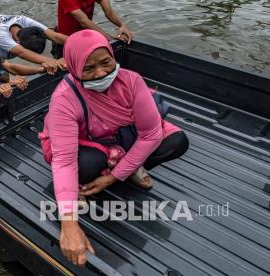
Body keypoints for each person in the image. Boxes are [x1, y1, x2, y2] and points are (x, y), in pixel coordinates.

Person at [39, 30, 188, 266]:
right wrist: (69, 224)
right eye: (89, 68)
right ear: (74, 68)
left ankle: (126, 167)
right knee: (86, 165)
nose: (101, 73)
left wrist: (114, 177)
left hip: (119, 138)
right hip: (86, 144)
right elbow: (64, 160)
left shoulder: (131, 80)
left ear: (112, 56)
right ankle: (80, 186)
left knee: (176, 141)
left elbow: (150, 133)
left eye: (106, 63)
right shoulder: (64, 99)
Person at [0, 14, 68, 73]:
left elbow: (55, 36)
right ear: (17, 42)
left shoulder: (25, 21)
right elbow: (20, 54)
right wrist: (54, 62)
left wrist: (83, 42)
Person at [52, 0, 133, 58]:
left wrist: (122, 25)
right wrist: (110, 39)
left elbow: (109, 12)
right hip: (64, 40)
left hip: (84, 38)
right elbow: (84, 21)